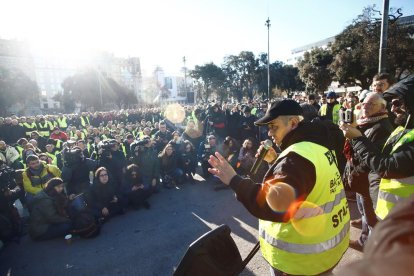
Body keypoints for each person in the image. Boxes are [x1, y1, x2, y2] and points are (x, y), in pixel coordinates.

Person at [208, 100, 350, 275]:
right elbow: (303, 187)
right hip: (325, 249)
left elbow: (271, 205)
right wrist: (275, 162)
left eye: (273, 126)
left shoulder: (294, 159)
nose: (269, 133)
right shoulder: (315, 147)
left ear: (293, 123)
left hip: (300, 261)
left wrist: (234, 180)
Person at [340, 75, 414, 221]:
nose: (393, 108)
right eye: (364, 104)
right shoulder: (402, 128)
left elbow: (386, 166)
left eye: (398, 103)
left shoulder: (385, 126)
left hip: (403, 221)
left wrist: (357, 138)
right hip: (387, 210)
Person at [342, 92, 394, 251]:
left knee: (371, 216)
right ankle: (364, 226)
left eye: (371, 104)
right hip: (359, 179)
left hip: (366, 180)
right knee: (363, 208)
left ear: (382, 108)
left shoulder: (382, 127)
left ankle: (368, 244)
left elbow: (371, 159)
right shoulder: (365, 121)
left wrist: (353, 173)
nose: (365, 106)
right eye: (364, 103)